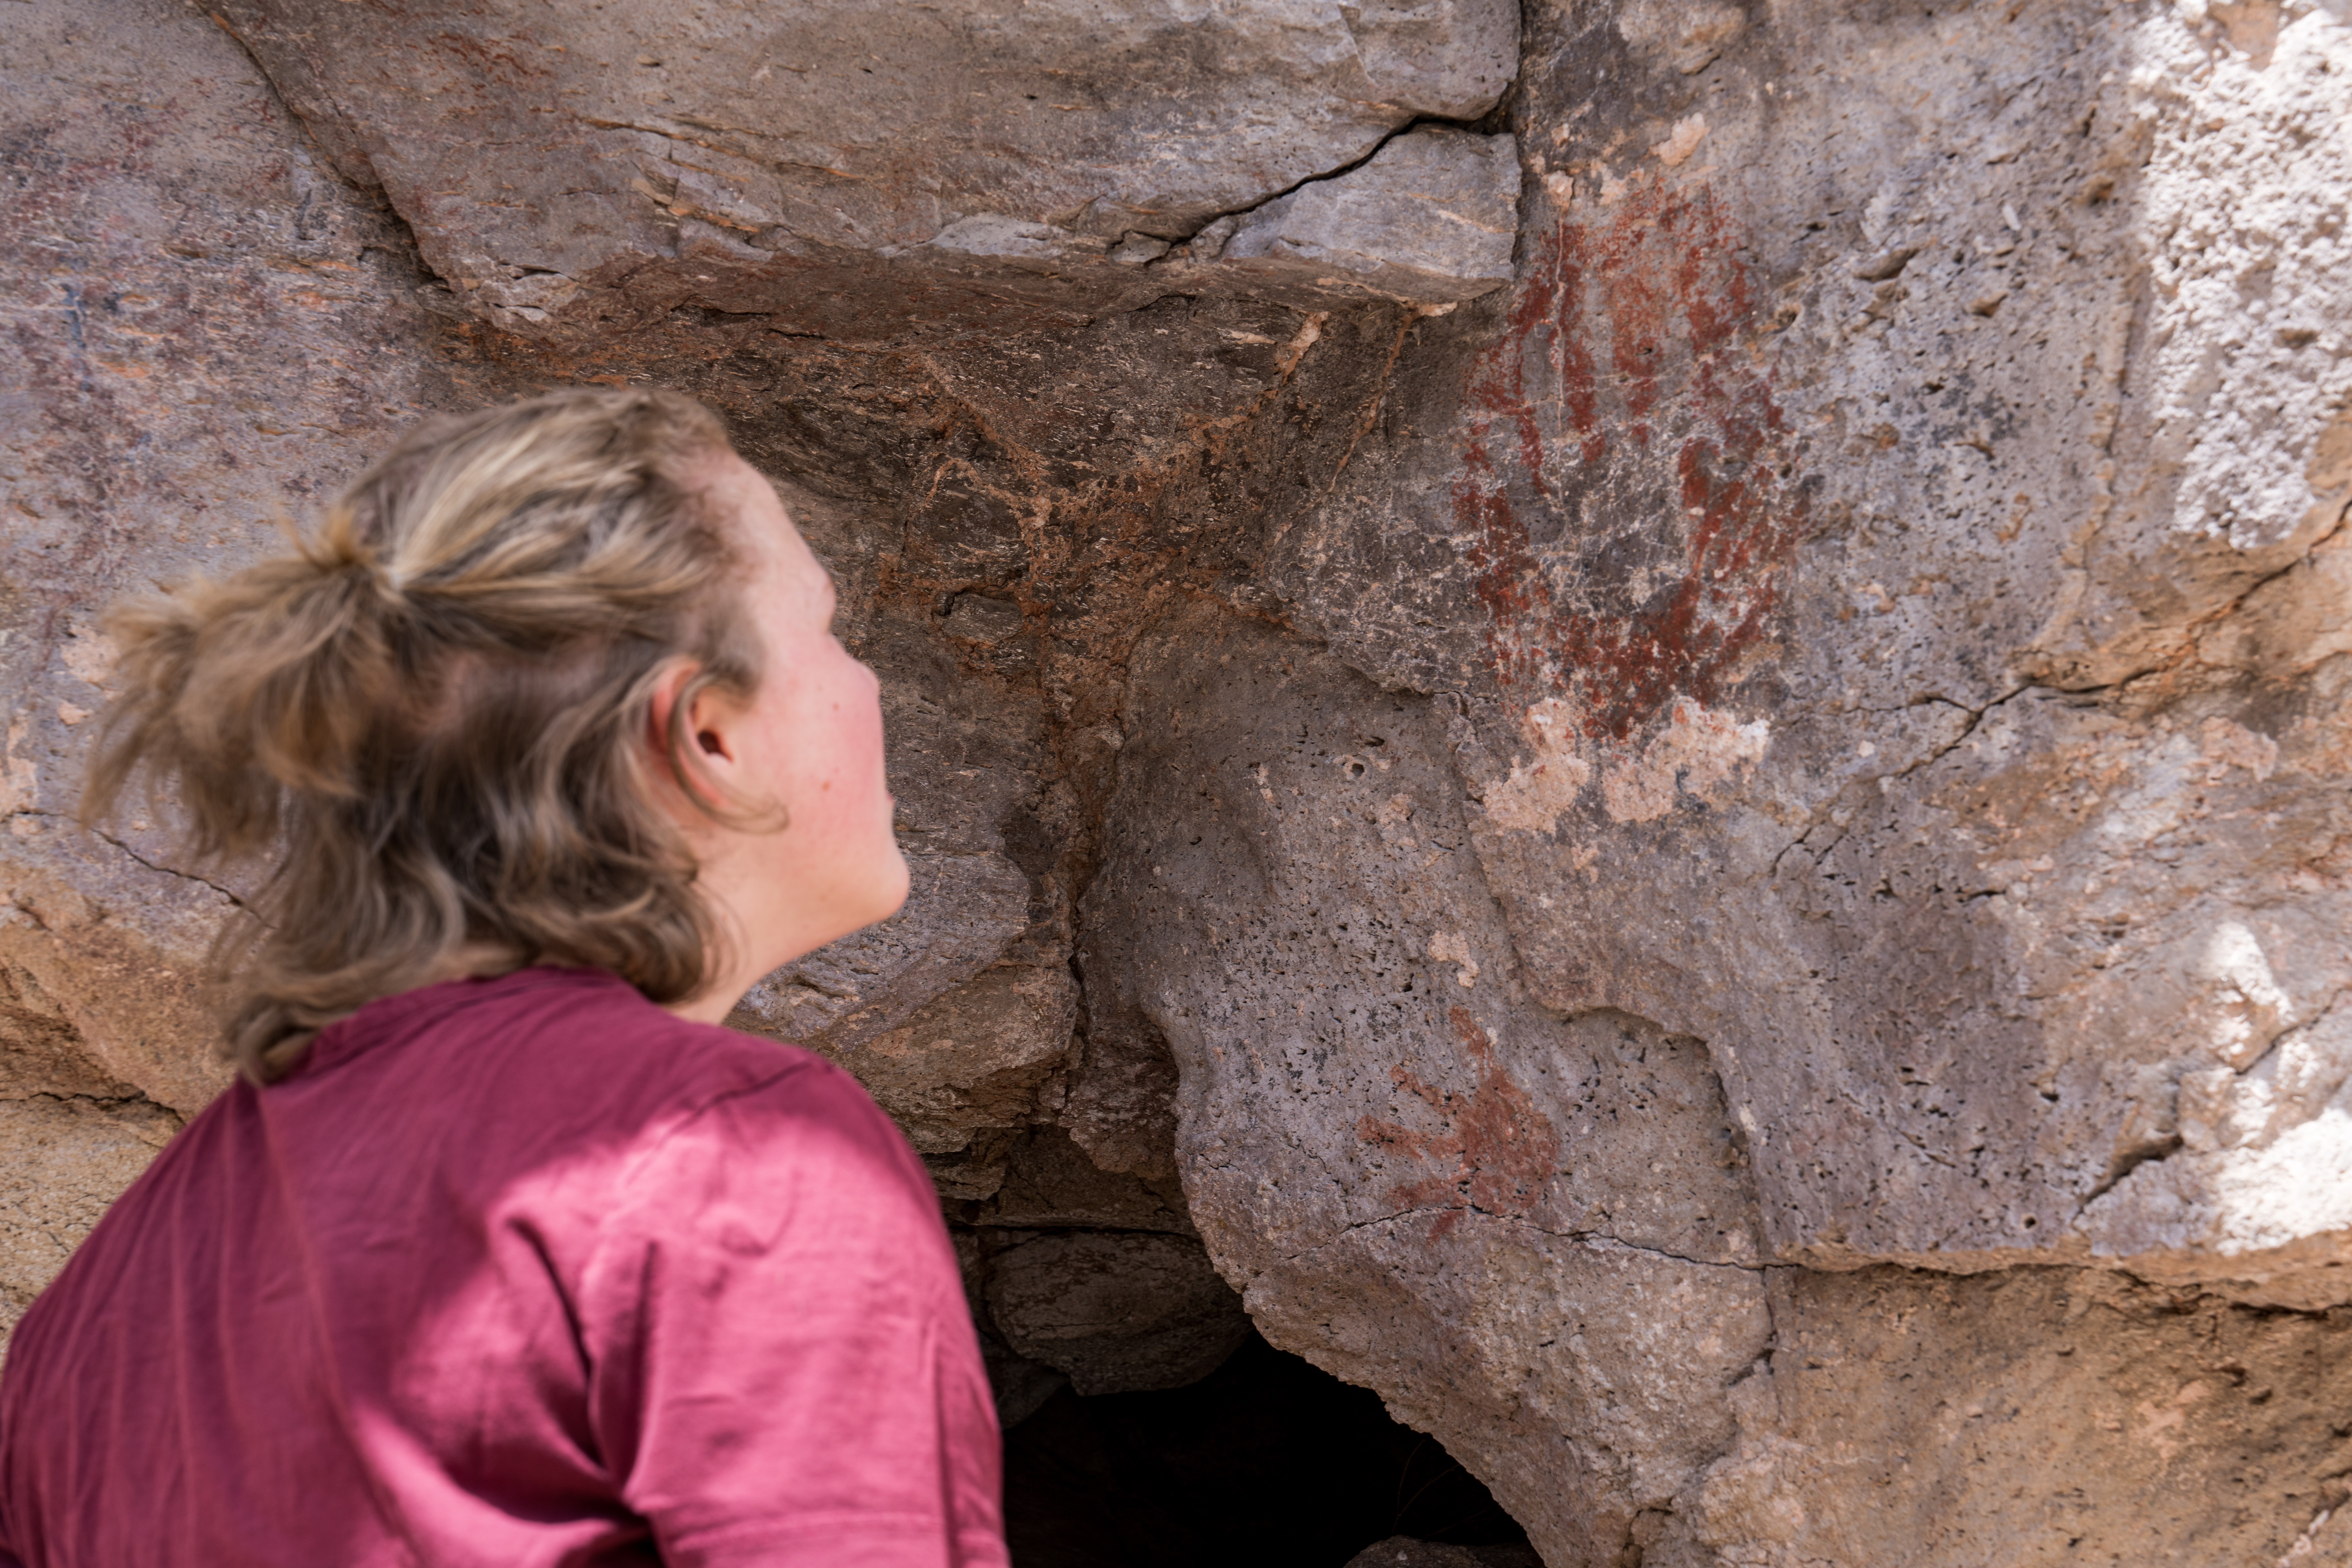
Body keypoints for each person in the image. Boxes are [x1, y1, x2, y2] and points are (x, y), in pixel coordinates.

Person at [0, 389, 1007, 1566]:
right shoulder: (738, 1161)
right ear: (703, 738)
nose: (864, 685)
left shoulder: (125, 1272)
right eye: (834, 633)